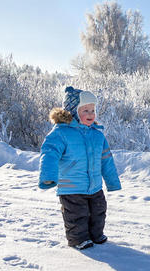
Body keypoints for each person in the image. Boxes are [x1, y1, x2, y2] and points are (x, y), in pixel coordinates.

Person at [38, 86, 121, 250]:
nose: (91, 114)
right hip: (71, 187)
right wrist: (48, 176)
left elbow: (106, 159)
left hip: (95, 185)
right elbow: (49, 153)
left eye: (93, 110)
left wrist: (112, 182)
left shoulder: (98, 134)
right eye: (86, 110)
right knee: (77, 215)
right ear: (73, 112)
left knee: (98, 211)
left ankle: (95, 235)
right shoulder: (61, 133)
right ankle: (78, 239)